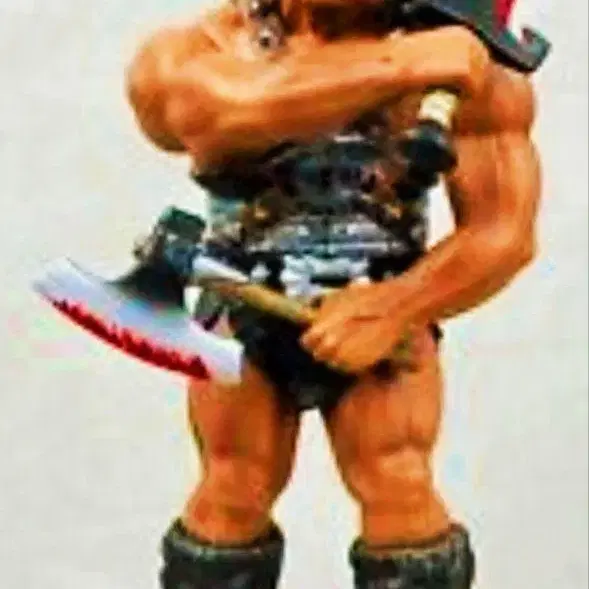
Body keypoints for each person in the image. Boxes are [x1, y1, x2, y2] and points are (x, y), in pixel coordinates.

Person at [125, 0, 548, 587]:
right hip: (244, 312)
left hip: (382, 313)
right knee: (232, 491)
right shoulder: (211, 46)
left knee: (399, 487)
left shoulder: (462, 77)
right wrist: (401, 66)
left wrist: (394, 307)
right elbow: (203, 114)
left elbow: (503, 231)